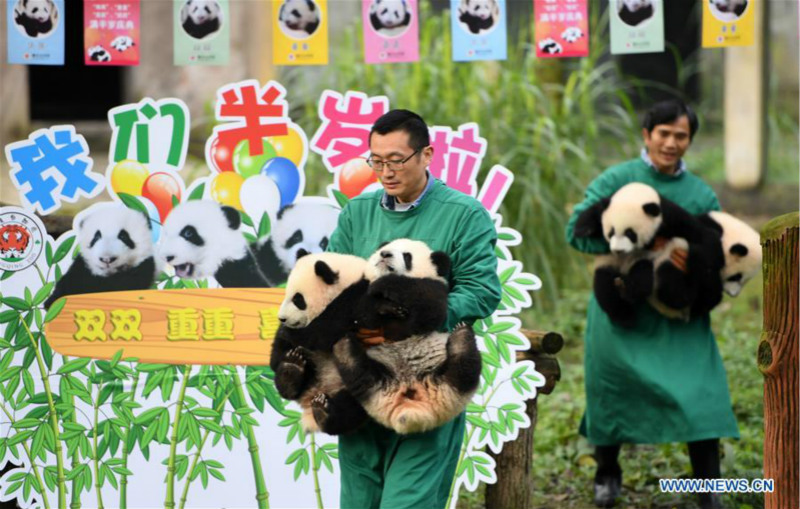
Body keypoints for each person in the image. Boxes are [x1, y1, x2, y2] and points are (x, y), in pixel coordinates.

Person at [565, 99, 739, 509]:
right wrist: (636, 242)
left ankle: (707, 487)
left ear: (690, 141)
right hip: (622, 306)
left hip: (679, 314)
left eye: (681, 136)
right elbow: (577, 233)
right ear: (647, 135)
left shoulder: (699, 193)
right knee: (613, 393)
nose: (671, 143)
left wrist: (693, 257)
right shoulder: (617, 179)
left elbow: (720, 247)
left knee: (701, 394)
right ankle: (607, 473)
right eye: (664, 133)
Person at [327, 109, 501, 509]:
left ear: (426, 155)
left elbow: (481, 291)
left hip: (426, 384)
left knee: (409, 501)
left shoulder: (464, 215)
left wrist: (410, 323)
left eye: (396, 160)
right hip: (363, 382)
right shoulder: (358, 213)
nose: (385, 172)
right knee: (359, 500)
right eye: (376, 161)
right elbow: (335, 283)